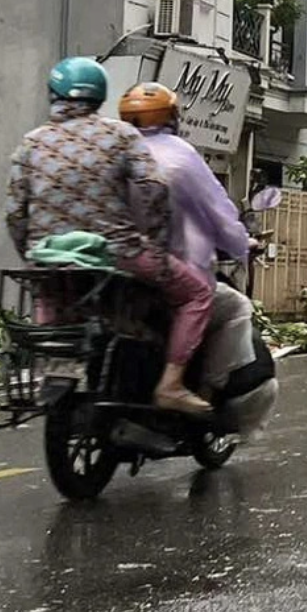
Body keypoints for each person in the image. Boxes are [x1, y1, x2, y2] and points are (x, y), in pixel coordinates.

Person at [5, 57, 214, 415]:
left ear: (53, 94)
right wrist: (153, 238)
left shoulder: (31, 143)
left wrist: (31, 250)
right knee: (197, 293)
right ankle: (171, 384)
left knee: (50, 288)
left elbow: (14, 212)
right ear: (100, 97)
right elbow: (153, 187)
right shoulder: (120, 134)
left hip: (50, 256)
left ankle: (53, 367)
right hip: (117, 251)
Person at [118, 83, 255, 405]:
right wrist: (240, 246)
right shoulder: (180, 154)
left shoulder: (111, 150)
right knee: (229, 305)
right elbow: (219, 212)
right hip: (163, 266)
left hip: (110, 266)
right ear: (171, 116)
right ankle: (199, 387)